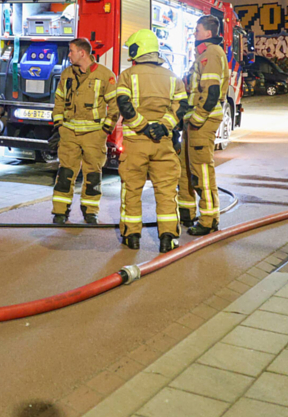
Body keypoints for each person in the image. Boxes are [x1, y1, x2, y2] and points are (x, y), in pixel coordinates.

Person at [115, 29, 188, 252]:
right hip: (163, 143)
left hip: (136, 142)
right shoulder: (172, 77)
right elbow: (182, 107)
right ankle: (168, 238)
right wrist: (162, 126)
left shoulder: (128, 75)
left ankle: (132, 236)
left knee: (132, 189)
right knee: (166, 190)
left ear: (138, 50)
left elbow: (124, 105)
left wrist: (143, 126)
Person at [50, 38, 118, 224]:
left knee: (93, 175)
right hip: (69, 134)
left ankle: (90, 212)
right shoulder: (67, 74)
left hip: (94, 136)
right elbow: (58, 101)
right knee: (65, 173)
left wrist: (105, 129)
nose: (69, 54)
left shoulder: (105, 75)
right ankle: (60, 212)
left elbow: (115, 105)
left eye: (71, 51)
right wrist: (60, 125)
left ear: (82, 53)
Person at [178, 15, 230, 235]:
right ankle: (187, 213)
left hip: (203, 120)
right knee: (185, 168)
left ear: (208, 33)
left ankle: (209, 220)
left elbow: (211, 93)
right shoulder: (203, 55)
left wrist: (198, 119)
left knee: (201, 171)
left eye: (197, 30)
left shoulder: (211, 54)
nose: (194, 33)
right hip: (194, 121)